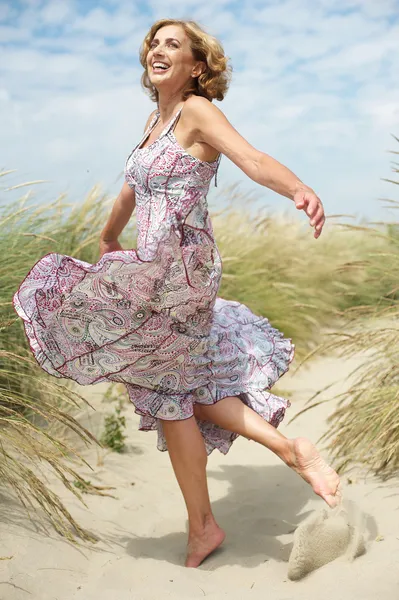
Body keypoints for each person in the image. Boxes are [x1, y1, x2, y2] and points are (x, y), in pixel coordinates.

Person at [13, 18, 341, 568]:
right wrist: (108, 235)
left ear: (197, 65)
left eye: (173, 45)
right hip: (151, 264)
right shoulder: (154, 119)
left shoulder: (196, 110)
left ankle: (224, 508)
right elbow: (130, 186)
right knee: (175, 390)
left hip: (181, 266)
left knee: (158, 376)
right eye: (154, 44)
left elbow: (253, 159)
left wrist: (299, 188)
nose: (158, 51)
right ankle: (240, 495)